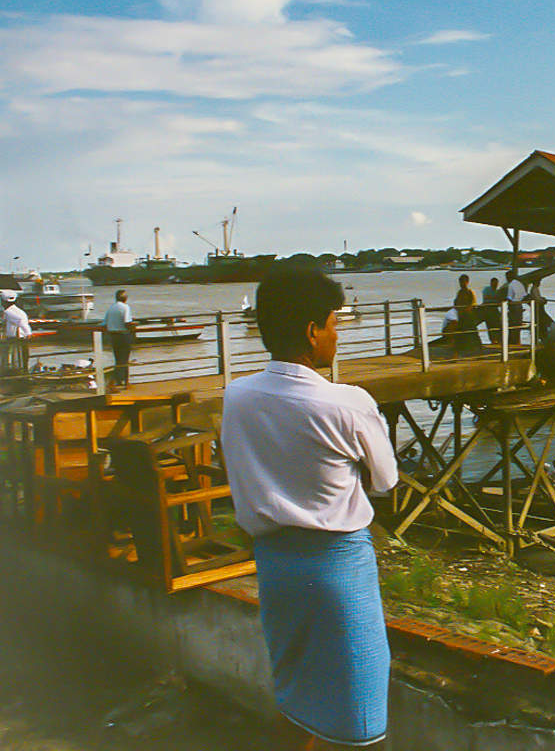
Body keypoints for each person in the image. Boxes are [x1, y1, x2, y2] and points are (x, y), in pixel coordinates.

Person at [220, 268, 399, 751]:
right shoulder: (348, 403)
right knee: (360, 704)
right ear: (312, 331)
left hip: (276, 562)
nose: (337, 335)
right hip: (337, 565)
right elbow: (386, 480)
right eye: (334, 323)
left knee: (295, 688)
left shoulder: (236, 396)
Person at [103, 289, 137, 388]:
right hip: (123, 335)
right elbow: (127, 322)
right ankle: (123, 382)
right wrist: (134, 325)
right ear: (125, 298)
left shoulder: (111, 308)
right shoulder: (125, 307)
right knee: (124, 360)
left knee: (118, 359)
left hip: (113, 335)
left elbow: (104, 323)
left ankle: (118, 381)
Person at [504, 270, 527, 345]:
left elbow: (510, 297)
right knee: (518, 325)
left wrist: (503, 300)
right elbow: (524, 295)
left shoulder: (511, 285)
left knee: (512, 325)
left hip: (513, 306)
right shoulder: (519, 283)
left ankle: (512, 342)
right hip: (520, 305)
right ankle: (517, 341)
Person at [480, 276, 501, 343]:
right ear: (491, 283)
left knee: (498, 325)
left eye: (496, 284)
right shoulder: (487, 289)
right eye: (494, 283)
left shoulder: (497, 291)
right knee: (490, 326)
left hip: (495, 310)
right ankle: (492, 340)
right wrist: (495, 297)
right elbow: (486, 296)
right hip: (488, 309)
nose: (495, 285)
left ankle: (498, 340)